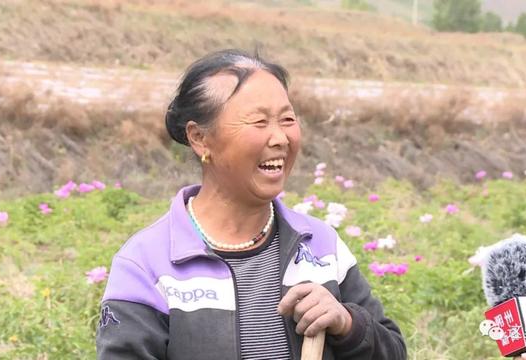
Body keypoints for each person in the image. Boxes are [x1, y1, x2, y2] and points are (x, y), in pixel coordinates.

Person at [96, 49, 407, 360]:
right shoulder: (146, 263)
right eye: (259, 121)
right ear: (200, 138)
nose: (281, 138)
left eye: (287, 119)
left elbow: (394, 352)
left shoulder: (322, 247)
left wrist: (348, 324)